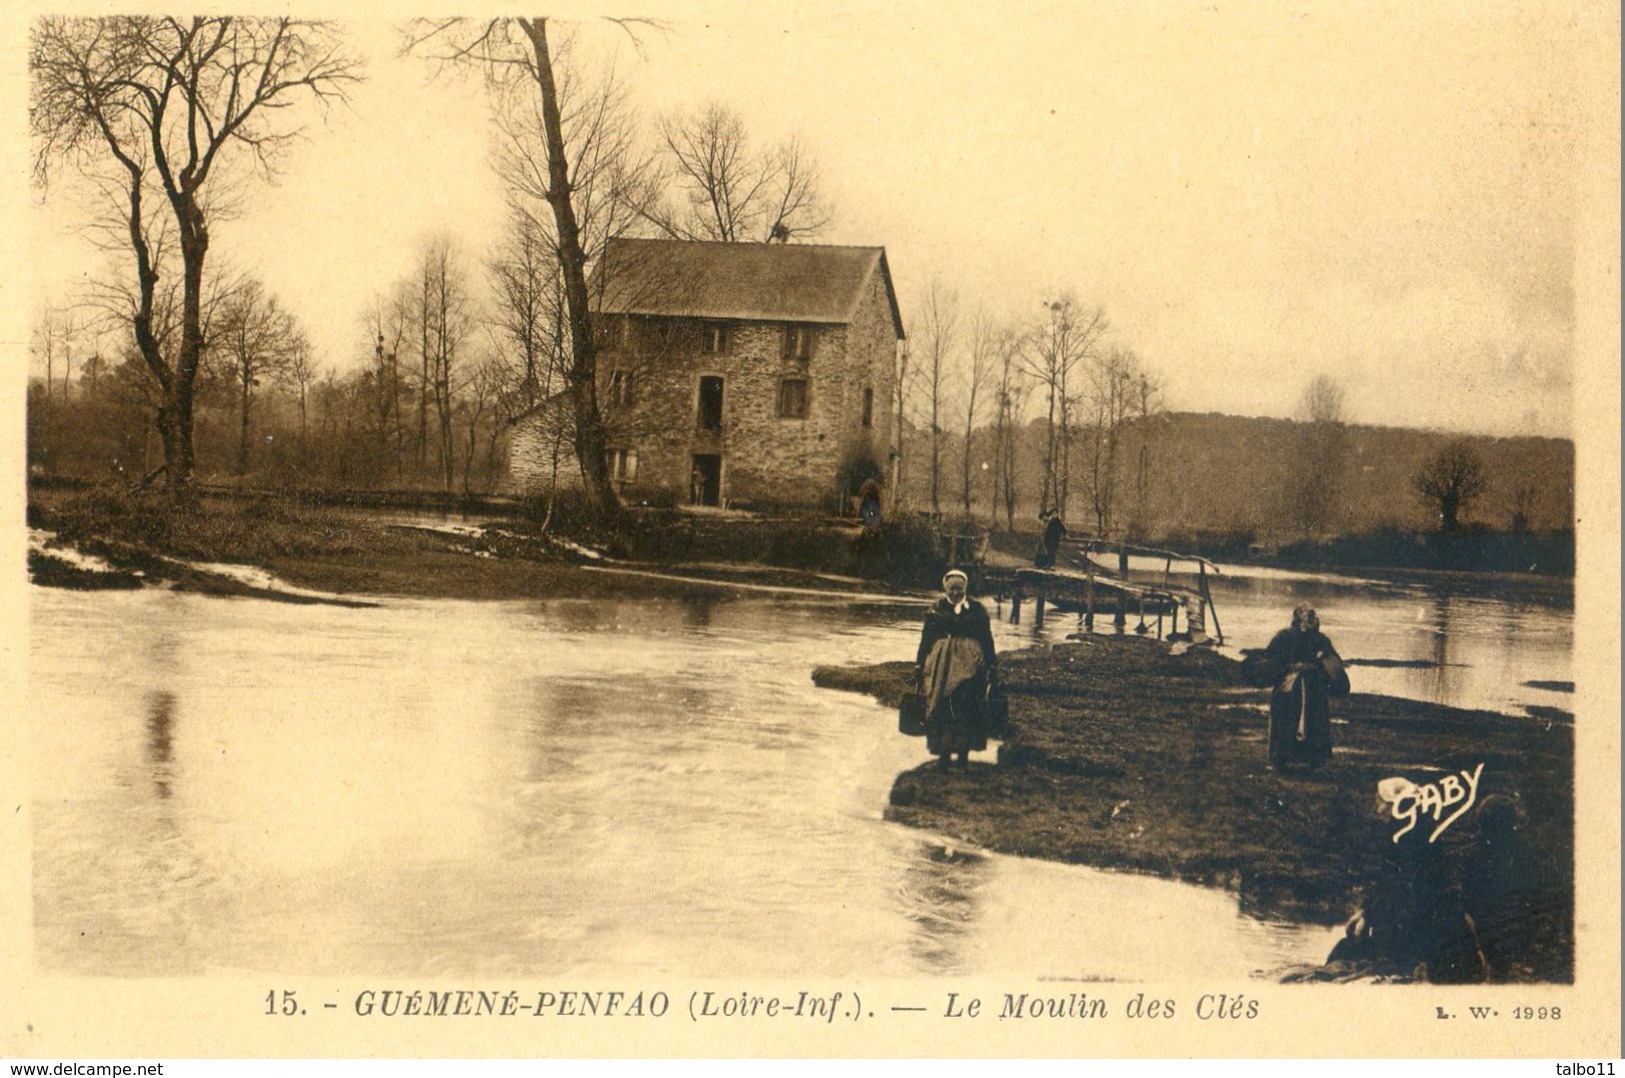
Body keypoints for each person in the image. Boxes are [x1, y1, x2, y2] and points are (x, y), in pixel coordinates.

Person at [1244, 604, 1349, 771]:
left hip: (1290, 683)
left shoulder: (1285, 636)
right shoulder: (1319, 639)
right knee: (1312, 720)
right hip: (1312, 685)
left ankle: (1282, 759)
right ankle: (1311, 759)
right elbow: (1333, 663)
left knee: (1285, 718)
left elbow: (1271, 658)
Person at [914, 569, 999, 769]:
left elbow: (986, 639)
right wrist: (919, 664)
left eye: (959, 589)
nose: (955, 593)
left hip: (971, 665)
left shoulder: (977, 610)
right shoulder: (936, 609)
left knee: (967, 709)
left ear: (965, 589)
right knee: (941, 707)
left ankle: (963, 757)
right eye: (951, 589)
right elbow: (926, 639)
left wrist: (991, 663)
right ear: (946, 589)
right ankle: (943, 757)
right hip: (942, 666)